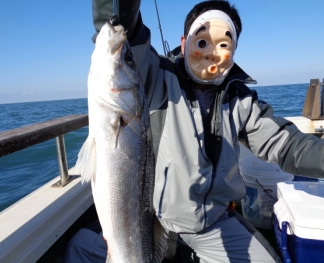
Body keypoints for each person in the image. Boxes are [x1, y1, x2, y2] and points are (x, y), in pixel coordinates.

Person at [65, 0, 324, 262]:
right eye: (203, 41)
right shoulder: (156, 76)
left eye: (224, 44)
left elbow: (289, 146)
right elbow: (123, 26)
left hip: (212, 224)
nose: (212, 52)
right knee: (79, 248)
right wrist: (115, 15)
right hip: (151, 220)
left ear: (233, 51)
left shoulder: (241, 100)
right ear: (184, 40)